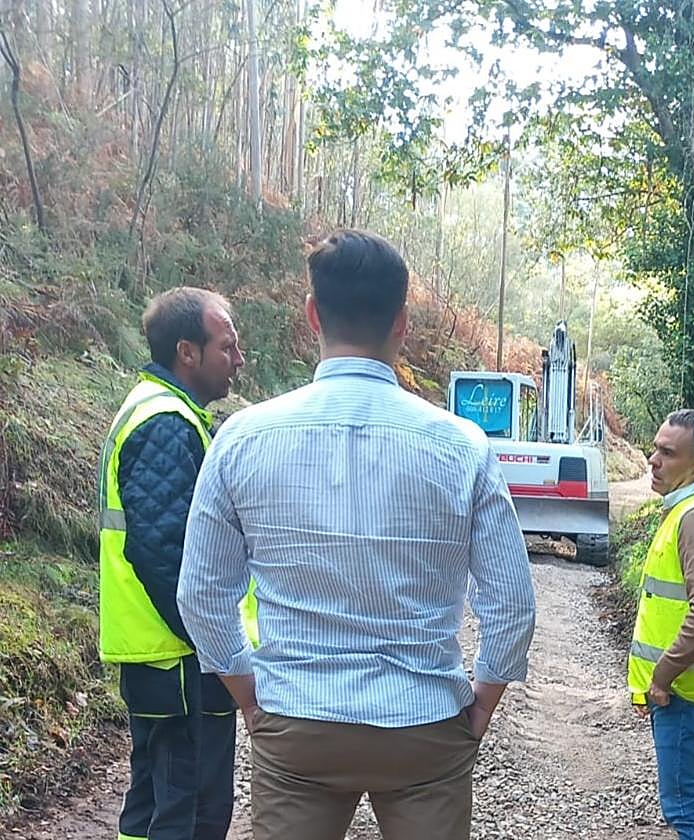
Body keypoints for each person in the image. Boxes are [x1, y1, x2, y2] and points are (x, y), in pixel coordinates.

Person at [176, 229, 537, 840]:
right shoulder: (461, 446)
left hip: (297, 723)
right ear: (402, 323)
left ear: (313, 313)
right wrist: (478, 710)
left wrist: (251, 700)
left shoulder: (243, 437)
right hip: (423, 728)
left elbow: (200, 595)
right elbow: (513, 606)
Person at [97, 286, 245, 840]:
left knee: (155, 804)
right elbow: (166, 555)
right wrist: (217, 645)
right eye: (226, 346)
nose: (238, 359)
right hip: (179, 656)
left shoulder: (163, 412)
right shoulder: (165, 423)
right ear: (188, 351)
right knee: (189, 813)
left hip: (162, 654)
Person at [628, 409, 694, 840]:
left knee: (685, 808)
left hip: (685, 693)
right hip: (683, 692)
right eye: (655, 448)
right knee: (685, 801)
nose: (653, 459)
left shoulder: (693, 518)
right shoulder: (685, 511)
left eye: (667, 453)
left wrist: (662, 676)